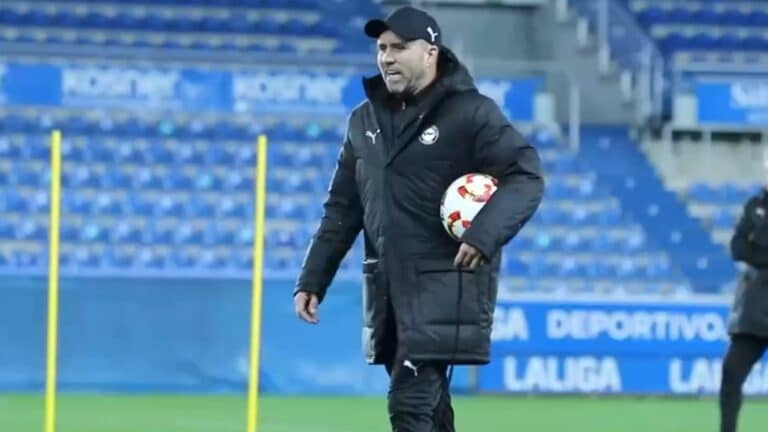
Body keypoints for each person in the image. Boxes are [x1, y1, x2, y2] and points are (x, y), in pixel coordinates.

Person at [293, 6, 544, 431]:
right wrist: (313, 279)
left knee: (408, 407)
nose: (386, 58)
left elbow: (526, 176)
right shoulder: (363, 120)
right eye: (381, 48)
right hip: (388, 288)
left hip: (446, 286)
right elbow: (342, 208)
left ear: (430, 53)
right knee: (432, 413)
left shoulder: (471, 113)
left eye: (399, 48)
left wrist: (483, 234)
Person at [721, 186, 768, 432]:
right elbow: (737, 249)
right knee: (731, 373)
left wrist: (756, 252)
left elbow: (747, 250)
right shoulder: (755, 205)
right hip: (754, 313)